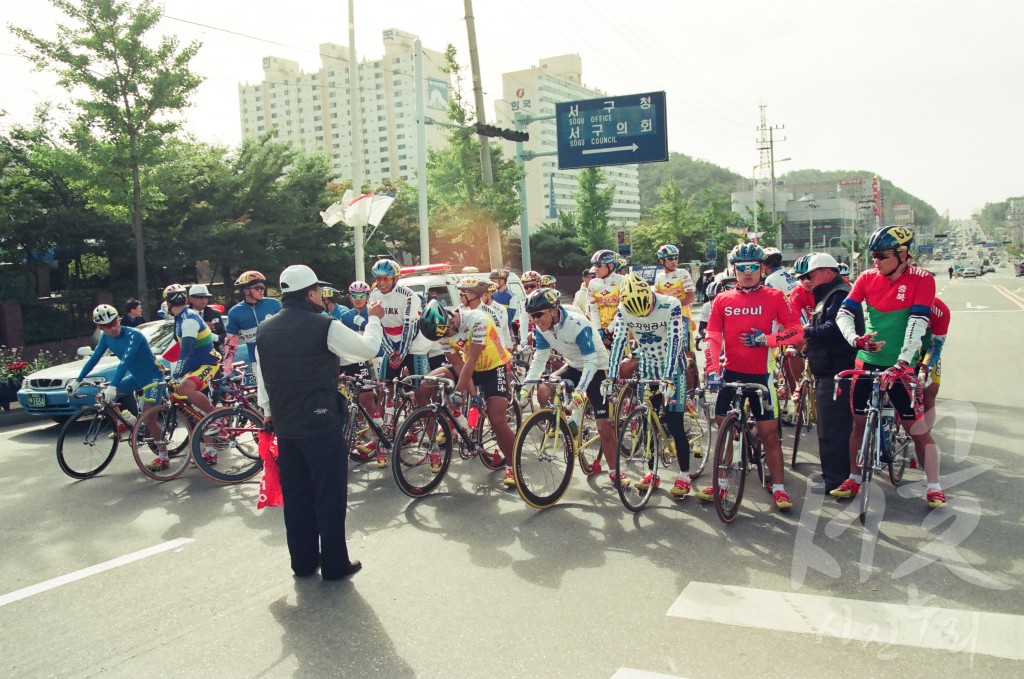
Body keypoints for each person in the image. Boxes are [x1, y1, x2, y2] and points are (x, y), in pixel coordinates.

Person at [255, 264, 384, 581]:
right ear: (310, 293)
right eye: (318, 291)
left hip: (285, 427)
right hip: (321, 425)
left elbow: (262, 377)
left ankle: (303, 562)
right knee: (329, 495)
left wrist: (268, 412)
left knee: (297, 498)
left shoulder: (265, 329)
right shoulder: (322, 324)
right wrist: (376, 318)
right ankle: (335, 565)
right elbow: (367, 349)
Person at [833, 225, 946, 509]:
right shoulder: (867, 277)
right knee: (858, 425)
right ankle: (853, 477)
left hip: (900, 365)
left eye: (882, 255)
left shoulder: (922, 280)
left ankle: (933, 485)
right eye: (873, 255)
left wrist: (902, 362)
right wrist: (856, 339)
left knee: (916, 429)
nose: (876, 260)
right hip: (867, 363)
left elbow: (917, 323)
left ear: (903, 254)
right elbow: (844, 313)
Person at [697, 242, 804, 511]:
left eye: (753, 267)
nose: (747, 273)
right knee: (724, 429)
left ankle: (778, 487)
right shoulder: (722, 299)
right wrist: (712, 369)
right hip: (731, 373)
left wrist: (768, 340)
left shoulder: (775, 297)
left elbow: (796, 331)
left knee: (769, 435)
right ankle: (720, 481)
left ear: (762, 269)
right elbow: (712, 337)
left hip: (762, 376)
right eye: (742, 268)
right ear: (734, 270)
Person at [520, 287, 621, 486]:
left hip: (597, 367)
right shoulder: (540, 328)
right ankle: (569, 426)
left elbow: (591, 363)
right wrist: (526, 387)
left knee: (604, 428)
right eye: (532, 316)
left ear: (553, 310)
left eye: (539, 314)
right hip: (573, 365)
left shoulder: (577, 325)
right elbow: (540, 359)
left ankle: (614, 471)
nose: (536, 320)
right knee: (544, 390)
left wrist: (580, 392)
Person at [607, 274, 692, 496]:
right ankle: (651, 471)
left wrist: (667, 377)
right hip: (647, 365)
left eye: (646, 309)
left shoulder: (670, 304)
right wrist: (610, 375)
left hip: (673, 368)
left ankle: (684, 475)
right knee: (647, 422)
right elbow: (618, 342)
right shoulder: (623, 309)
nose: (643, 316)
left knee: (675, 423)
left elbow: (676, 341)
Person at [416, 295, 514, 485]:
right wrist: (473, 395)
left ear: (449, 319)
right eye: (441, 337)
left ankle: (512, 466)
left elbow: (472, 359)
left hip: (495, 367)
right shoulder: (442, 331)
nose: (446, 338)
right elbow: (458, 364)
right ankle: (438, 442)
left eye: (446, 333)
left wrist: (460, 391)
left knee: (496, 418)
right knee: (425, 386)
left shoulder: (477, 319)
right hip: (470, 369)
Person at [800, 253, 861, 494]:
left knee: (832, 428)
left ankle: (835, 480)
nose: (810, 280)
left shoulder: (838, 294)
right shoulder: (832, 293)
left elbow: (835, 327)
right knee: (835, 427)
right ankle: (840, 476)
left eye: (812, 275)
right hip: (831, 368)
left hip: (836, 369)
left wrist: (808, 331)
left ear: (828, 271)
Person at [155, 283, 221, 470]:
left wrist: (176, 374)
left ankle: (216, 418)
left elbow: (187, 350)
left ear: (168, 302)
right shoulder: (180, 317)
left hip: (208, 364)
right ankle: (208, 449)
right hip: (194, 366)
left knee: (186, 389)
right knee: (194, 412)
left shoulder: (188, 319)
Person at [69, 304, 162, 427]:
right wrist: (77, 381)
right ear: (100, 327)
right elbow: (93, 360)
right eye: (107, 326)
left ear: (118, 318)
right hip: (136, 378)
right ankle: (123, 423)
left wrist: (113, 386)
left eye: (114, 322)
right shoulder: (105, 338)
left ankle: (162, 446)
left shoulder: (134, 335)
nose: (113, 328)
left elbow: (125, 362)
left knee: (149, 422)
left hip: (153, 378)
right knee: (101, 396)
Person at [654, 244, 698, 390]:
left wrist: (674, 305)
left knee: (686, 352)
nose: (674, 261)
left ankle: (692, 386)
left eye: (676, 258)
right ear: (662, 261)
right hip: (665, 319)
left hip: (682, 317)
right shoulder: (659, 277)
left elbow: (691, 297)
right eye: (670, 259)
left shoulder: (682, 273)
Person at [223, 270, 282, 371]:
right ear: (246, 291)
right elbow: (231, 342)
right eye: (257, 288)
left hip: (280, 357)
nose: (262, 290)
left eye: (263, 287)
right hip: (256, 361)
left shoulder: (274, 304)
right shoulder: (235, 312)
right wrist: (227, 367)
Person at [587, 249, 623, 348]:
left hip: (620, 327)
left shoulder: (623, 281)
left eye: (598, 265)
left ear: (610, 266)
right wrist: (598, 329)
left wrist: (609, 330)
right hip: (600, 330)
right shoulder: (592, 283)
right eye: (594, 265)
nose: (595, 269)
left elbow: (623, 310)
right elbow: (593, 308)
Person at [188, 284, 225, 353]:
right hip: (192, 355)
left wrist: (211, 335)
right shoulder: (184, 315)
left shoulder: (215, 314)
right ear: (191, 298)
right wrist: (203, 331)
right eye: (200, 297)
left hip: (213, 354)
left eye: (206, 297)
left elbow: (223, 336)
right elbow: (177, 337)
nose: (204, 300)